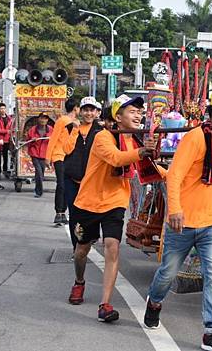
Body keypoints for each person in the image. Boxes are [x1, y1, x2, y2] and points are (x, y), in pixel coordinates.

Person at [144, 88, 212, 351]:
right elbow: (175, 176)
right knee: (167, 274)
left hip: (211, 224)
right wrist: (175, 210)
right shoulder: (194, 139)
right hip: (183, 223)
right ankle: (154, 302)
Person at [68, 94, 155, 323]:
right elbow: (117, 159)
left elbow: (150, 169)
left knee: (112, 246)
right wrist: (141, 152)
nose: (138, 115)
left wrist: (175, 175)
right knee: (81, 251)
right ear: (117, 117)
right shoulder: (102, 137)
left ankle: (105, 304)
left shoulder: (134, 140)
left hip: (115, 201)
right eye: (132, 111)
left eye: (140, 111)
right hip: (88, 201)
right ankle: (79, 281)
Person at [62, 97, 103, 249]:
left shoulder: (101, 130)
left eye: (91, 110)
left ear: (96, 112)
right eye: (85, 109)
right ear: (80, 111)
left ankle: (91, 237)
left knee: (93, 211)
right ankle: (76, 246)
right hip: (71, 177)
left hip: (92, 179)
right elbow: (66, 149)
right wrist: (74, 130)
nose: (88, 113)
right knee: (74, 213)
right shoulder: (70, 128)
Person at [45, 98, 79, 226]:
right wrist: (48, 157)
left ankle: (63, 213)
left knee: (66, 184)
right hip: (59, 155)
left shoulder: (76, 123)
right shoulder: (62, 121)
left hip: (69, 157)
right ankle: (59, 212)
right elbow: (53, 139)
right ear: (75, 108)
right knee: (61, 184)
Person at [26, 112, 52, 198]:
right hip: (35, 153)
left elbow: (55, 141)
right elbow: (27, 142)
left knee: (41, 172)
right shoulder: (33, 130)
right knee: (39, 172)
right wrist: (32, 140)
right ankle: (38, 191)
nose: (43, 120)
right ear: (38, 119)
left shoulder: (51, 130)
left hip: (45, 154)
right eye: (41, 118)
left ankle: (38, 187)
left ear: (47, 120)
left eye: (45, 118)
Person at [0, 103, 14, 178]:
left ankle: (7, 170)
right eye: (1, 108)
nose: (3, 110)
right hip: (0, 140)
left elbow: (12, 129)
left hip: (8, 140)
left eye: (4, 108)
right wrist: (6, 131)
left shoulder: (9, 119)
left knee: (8, 156)